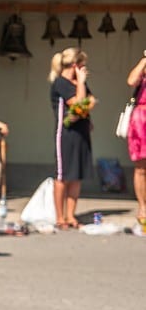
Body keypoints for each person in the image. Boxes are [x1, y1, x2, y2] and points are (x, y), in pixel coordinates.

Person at [49, 47, 95, 229]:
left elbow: (90, 102)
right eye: (82, 66)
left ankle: (71, 215)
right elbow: (78, 104)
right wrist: (81, 84)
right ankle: (60, 216)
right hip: (66, 134)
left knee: (76, 175)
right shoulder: (61, 83)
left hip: (81, 132)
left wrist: (85, 105)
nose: (84, 70)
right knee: (63, 175)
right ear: (75, 65)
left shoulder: (78, 83)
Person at [126, 50, 146, 235]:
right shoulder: (144, 69)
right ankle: (142, 207)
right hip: (141, 119)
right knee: (140, 167)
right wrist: (144, 60)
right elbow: (131, 81)